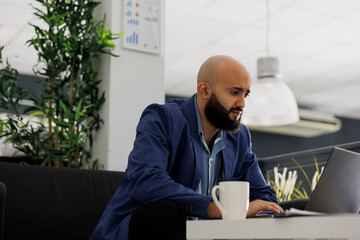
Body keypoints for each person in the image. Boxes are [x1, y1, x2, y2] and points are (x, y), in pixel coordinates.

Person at [90, 55, 284, 240]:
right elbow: (145, 179)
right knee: (163, 212)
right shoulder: (162, 118)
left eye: (245, 94)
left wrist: (260, 215)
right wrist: (210, 207)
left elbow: (263, 194)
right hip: (148, 230)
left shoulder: (240, 137)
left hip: (204, 235)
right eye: (234, 92)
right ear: (204, 90)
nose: (242, 103)